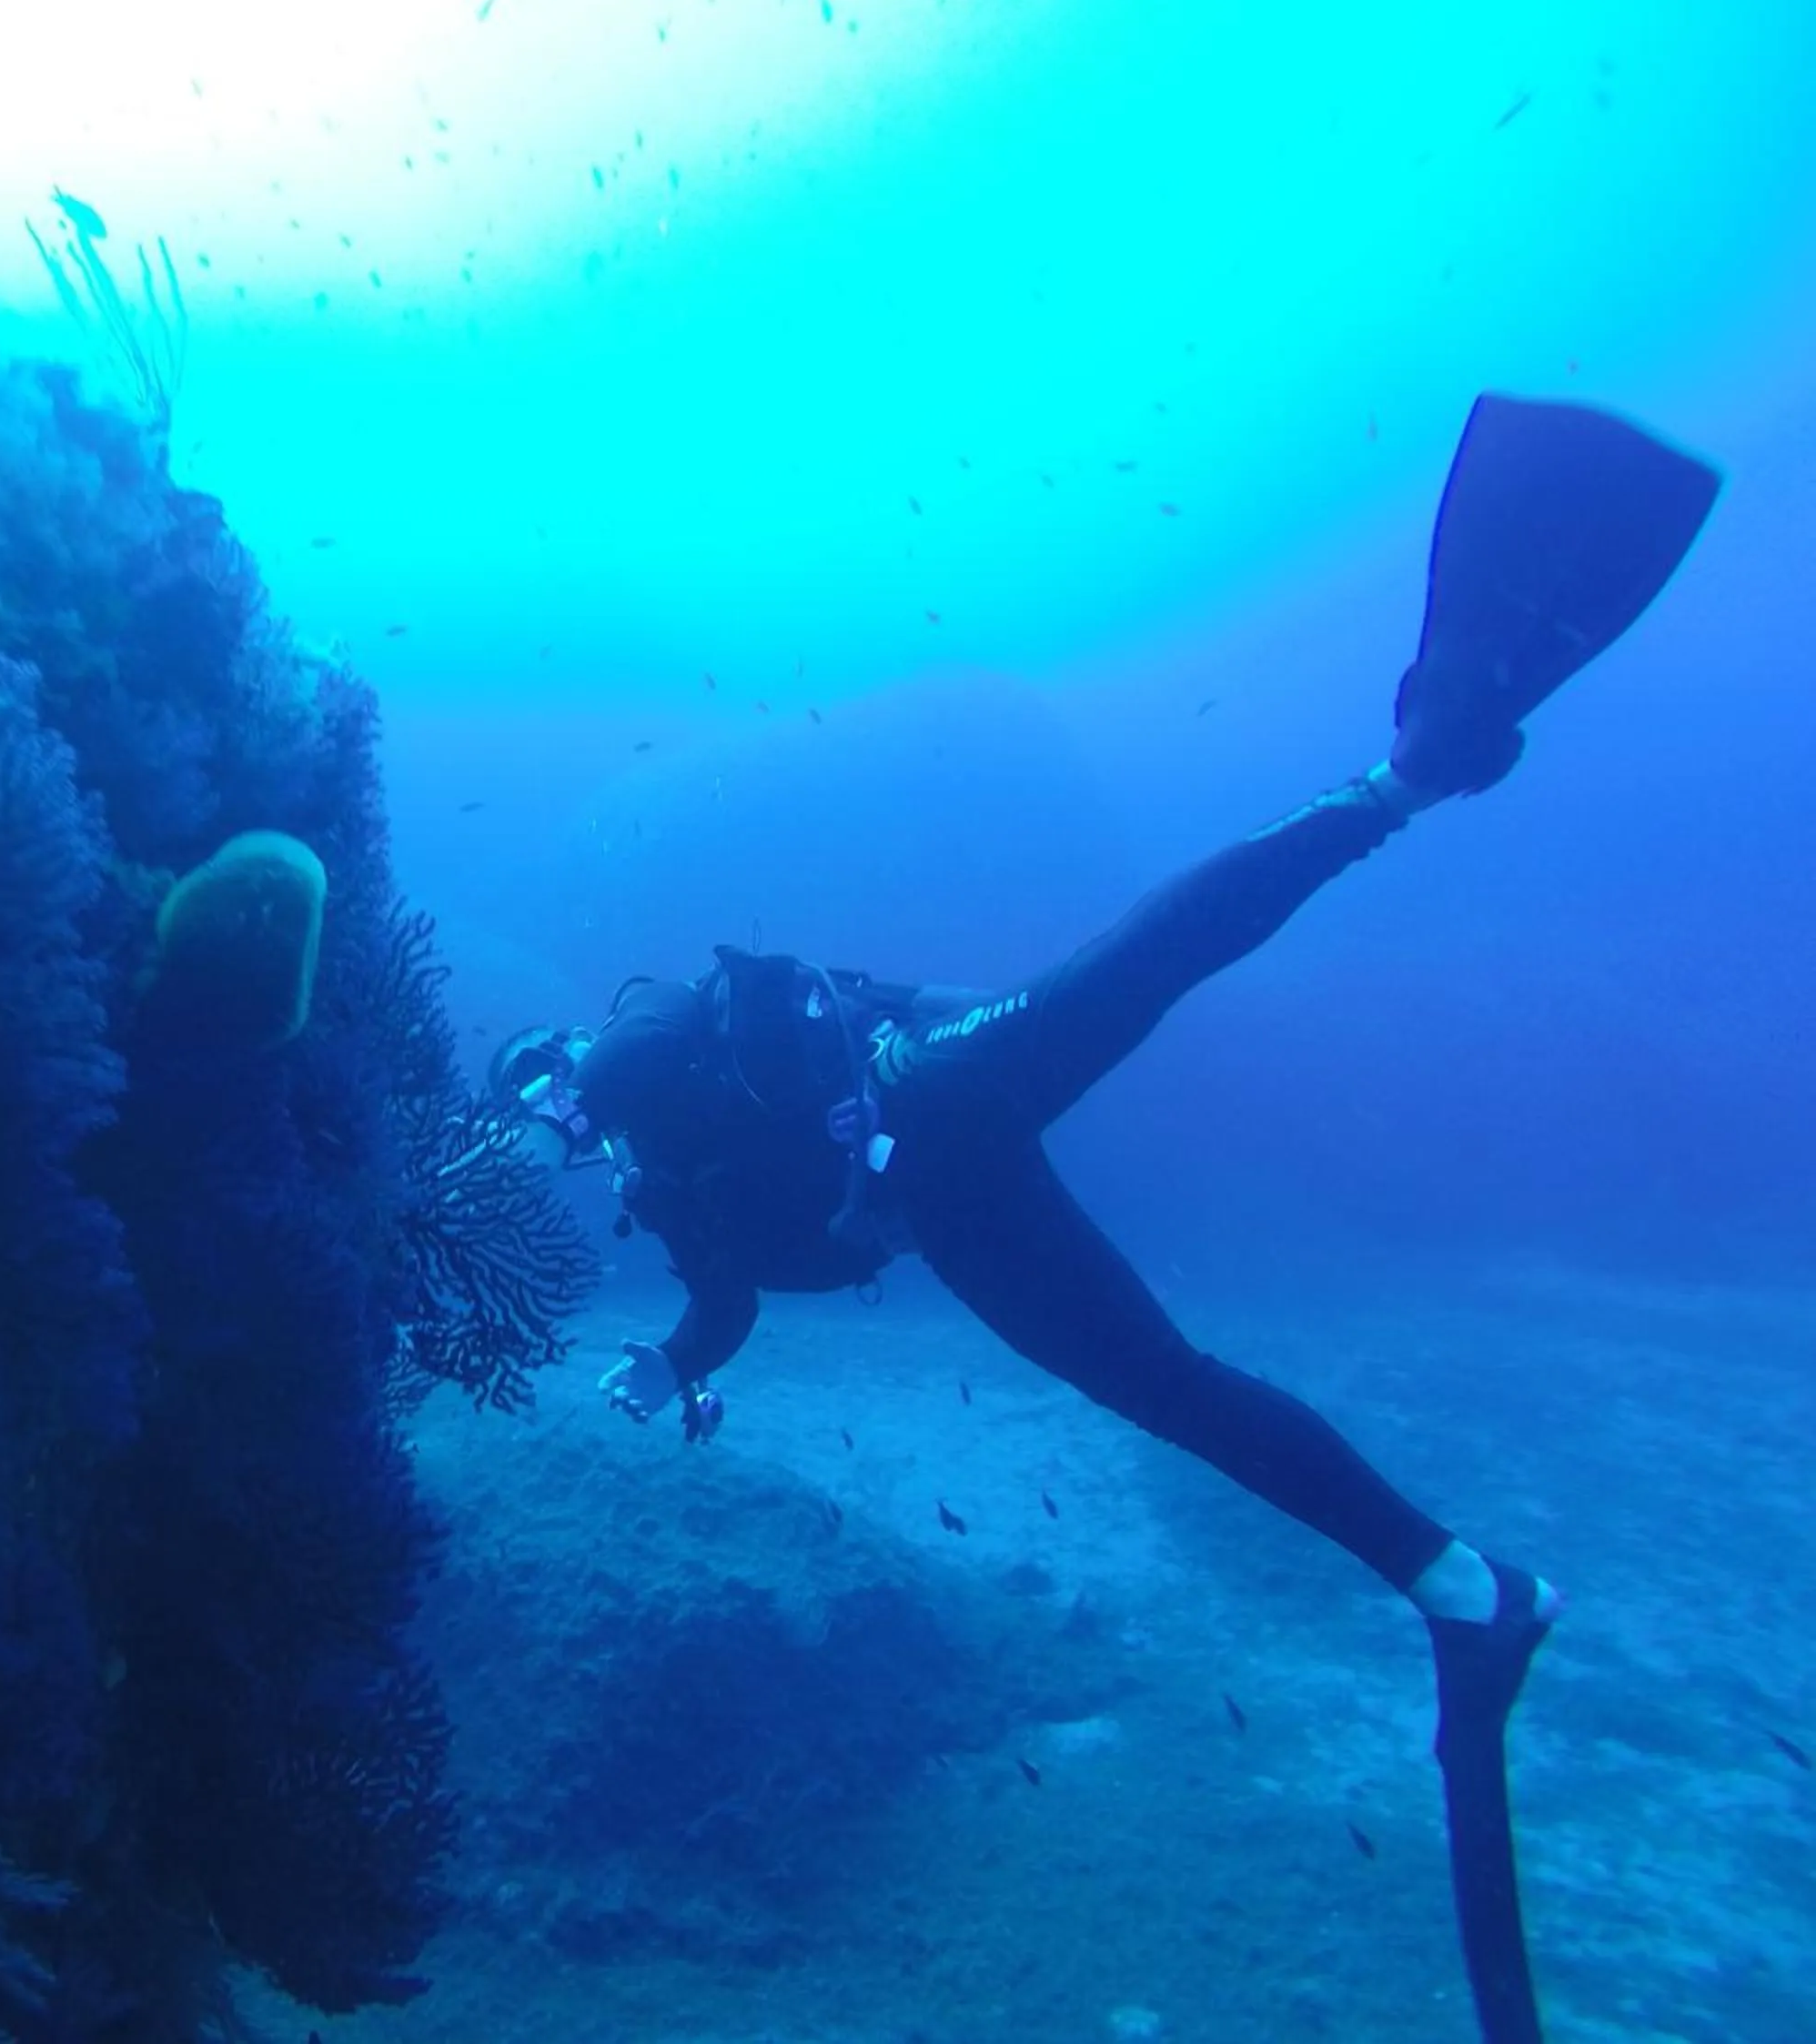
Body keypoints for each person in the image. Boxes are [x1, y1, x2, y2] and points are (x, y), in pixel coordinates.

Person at [486, 394, 1720, 2044]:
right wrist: (672, 1361)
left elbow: (666, 1027)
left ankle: (1403, 778)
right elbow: (730, 1303)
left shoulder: (636, 1043)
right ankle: (1456, 1583)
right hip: (948, 1203)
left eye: (539, 1076)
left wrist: (576, 1079)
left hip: (925, 1077)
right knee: (1167, 1386)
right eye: (534, 1096)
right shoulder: (664, 1187)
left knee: (1137, 964)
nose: (551, 1103)